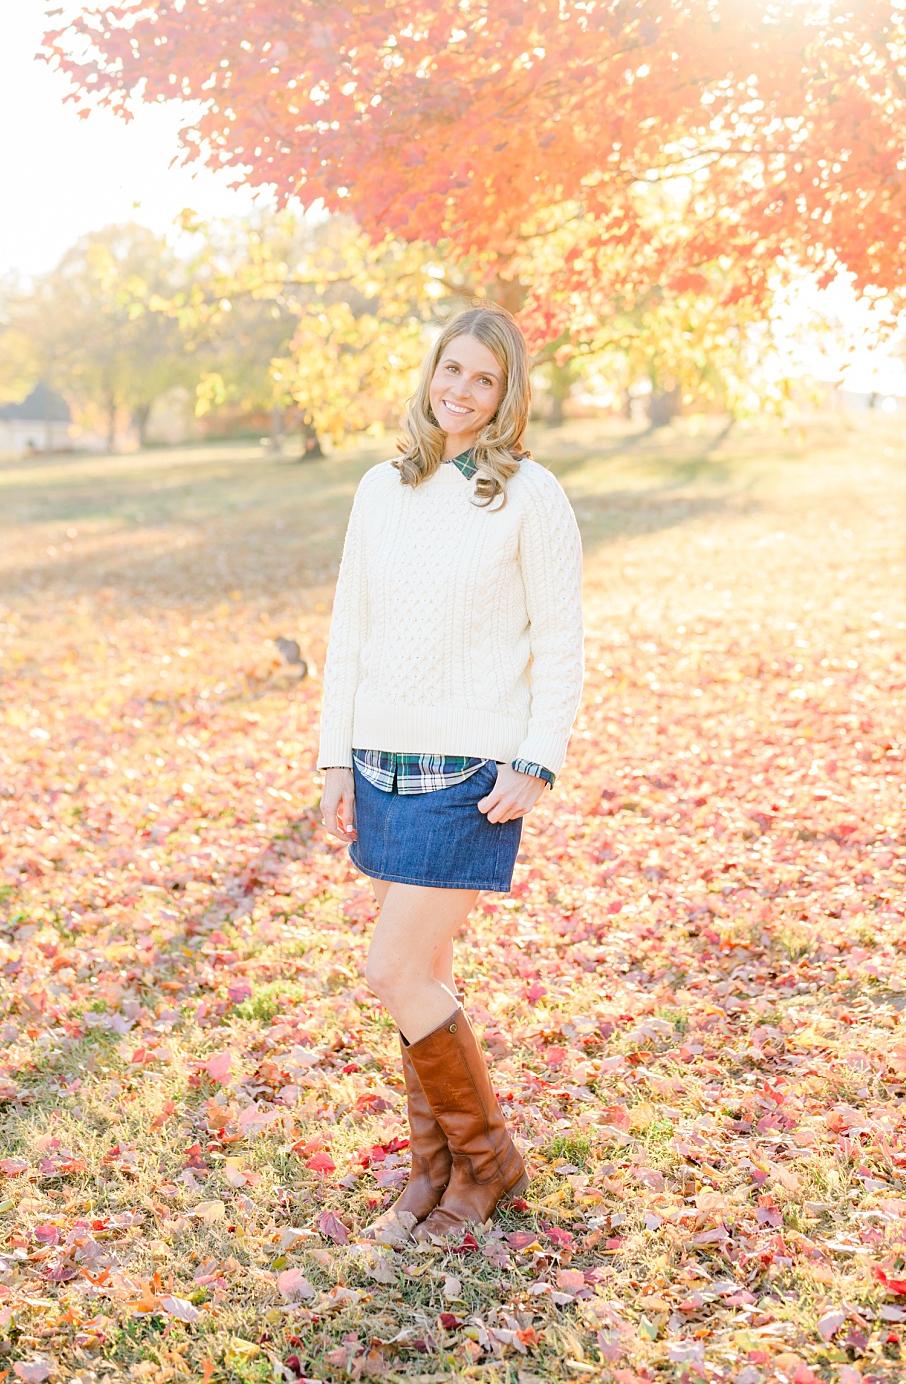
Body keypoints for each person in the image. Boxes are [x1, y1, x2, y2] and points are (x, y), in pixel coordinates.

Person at [313, 303, 584, 1247]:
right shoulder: (380, 489)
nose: (460, 391)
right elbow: (350, 628)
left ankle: (488, 1164)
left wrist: (537, 762)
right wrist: (334, 758)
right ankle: (437, 1169)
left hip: (470, 774)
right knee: (421, 973)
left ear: (507, 396)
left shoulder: (529, 495)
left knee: (389, 966)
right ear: (431, 373)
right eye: (451, 370)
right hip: (381, 764)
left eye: (484, 379)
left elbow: (560, 640)